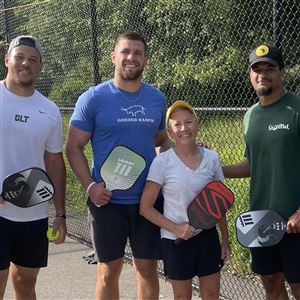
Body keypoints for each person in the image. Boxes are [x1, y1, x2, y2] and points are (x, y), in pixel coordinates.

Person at [66, 31, 171, 300]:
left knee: (147, 269)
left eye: (137, 53)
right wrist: (90, 187)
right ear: (114, 56)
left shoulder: (157, 99)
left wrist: (174, 168)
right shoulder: (93, 98)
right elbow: (73, 147)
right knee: (108, 270)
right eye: (125, 52)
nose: (131, 58)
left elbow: (161, 141)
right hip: (107, 201)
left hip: (147, 202)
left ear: (145, 60)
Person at [223, 44, 300, 300]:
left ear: (281, 72)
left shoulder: (296, 108)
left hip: (294, 219)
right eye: (257, 69)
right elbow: (252, 164)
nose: (262, 74)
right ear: (250, 74)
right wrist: (212, 169)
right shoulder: (251, 116)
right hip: (262, 219)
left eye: (270, 68)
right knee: (270, 282)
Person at [140, 101, 231, 300]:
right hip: (175, 241)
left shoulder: (212, 158)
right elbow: (145, 208)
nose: (184, 128)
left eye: (188, 122)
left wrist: (225, 240)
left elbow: (219, 202)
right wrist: (176, 228)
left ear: (196, 125)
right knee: (182, 297)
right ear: (170, 132)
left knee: (212, 294)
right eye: (177, 124)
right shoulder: (162, 162)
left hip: (207, 237)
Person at [0, 35, 67, 300]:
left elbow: (53, 161)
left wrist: (60, 213)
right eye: (20, 57)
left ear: (40, 67)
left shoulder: (49, 110)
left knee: (26, 285)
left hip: (34, 214)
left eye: (33, 59)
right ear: (7, 60)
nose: (26, 63)